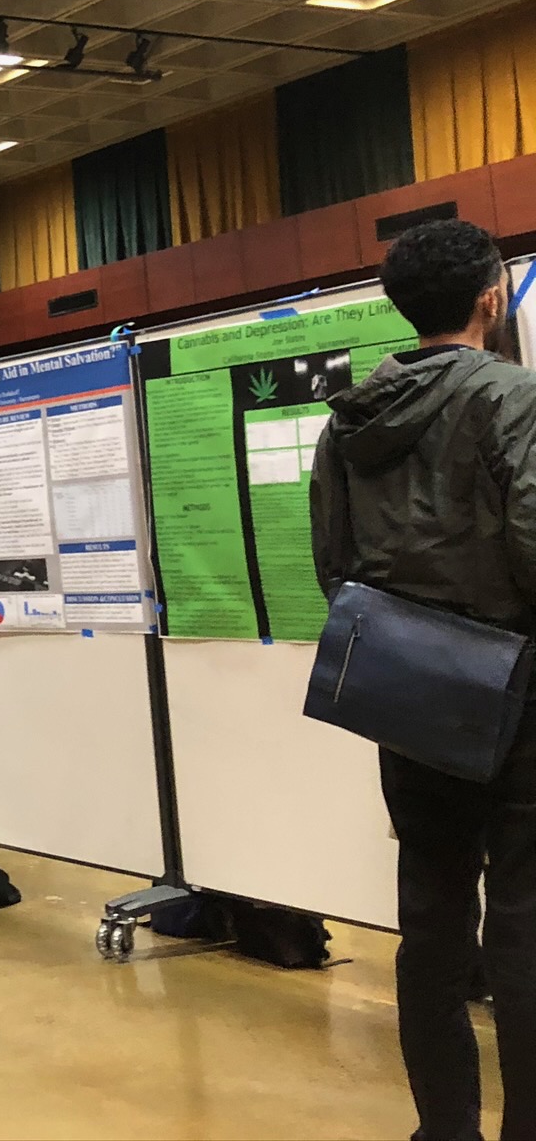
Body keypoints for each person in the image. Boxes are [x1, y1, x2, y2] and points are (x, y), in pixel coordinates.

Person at [309, 219, 536, 1141]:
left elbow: (334, 563)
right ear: (491, 298)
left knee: (431, 918)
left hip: (407, 695)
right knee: (525, 920)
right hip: (522, 695)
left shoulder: (350, 417)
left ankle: (444, 1127)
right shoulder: (514, 398)